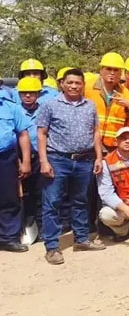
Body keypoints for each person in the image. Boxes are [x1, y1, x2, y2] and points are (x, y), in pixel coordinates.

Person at [38, 69, 106, 264]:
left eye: (78, 83)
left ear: (83, 84)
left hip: (84, 160)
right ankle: (52, 247)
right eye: (70, 83)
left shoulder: (90, 106)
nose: (74, 86)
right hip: (58, 159)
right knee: (52, 203)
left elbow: (95, 133)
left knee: (81, 200)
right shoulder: (50, 105)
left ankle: (82, 239)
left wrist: (98, 157)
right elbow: (42, 134)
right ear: (62, 84)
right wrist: (44, 161)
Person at [0, 78, 32, 252]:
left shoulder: (11, 106)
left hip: (5, 158)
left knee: (9, 199)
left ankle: (8, 238)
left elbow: (23, 134)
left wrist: (26, 161)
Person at [86, 52, 129, 151]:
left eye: (116, 70)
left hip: (113, 146)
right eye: (108, 69)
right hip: (90, 143)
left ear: (120, 73)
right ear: (101, 70)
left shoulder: (125, 92)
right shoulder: (88, 87)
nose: (112, 73)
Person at [16, 78, 43, 244]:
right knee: (19, 196)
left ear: (38, 94)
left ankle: (40, 228)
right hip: (19, 158)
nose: (27, 96)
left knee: (40, 194)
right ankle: (18, 229)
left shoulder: (45, 110)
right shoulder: (15, 111)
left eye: (31, 93)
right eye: (24, 93)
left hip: (40, 158)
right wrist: (20, 161)